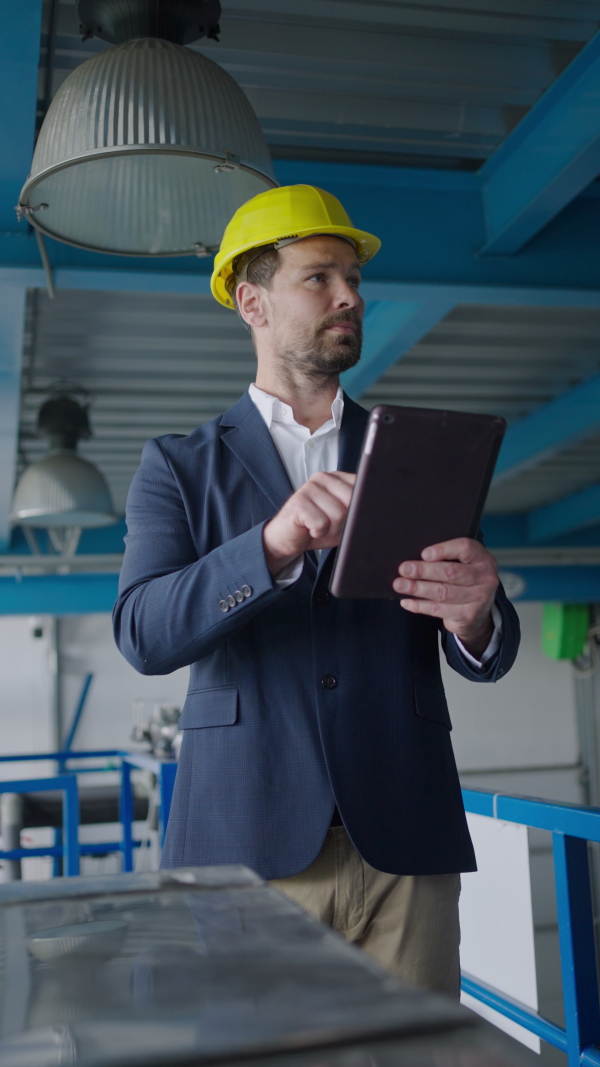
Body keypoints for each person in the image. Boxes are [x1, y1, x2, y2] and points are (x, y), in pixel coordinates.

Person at [113, 184, 520, 998]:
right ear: (251, 301)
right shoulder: (179, 466)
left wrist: (479, 613)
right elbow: (143, 633)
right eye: (321, 277)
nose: (350, 297)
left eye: (356, 281)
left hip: (406, 844)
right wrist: (269, 546)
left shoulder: (416, 450)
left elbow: (482, 646)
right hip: (246, 849)